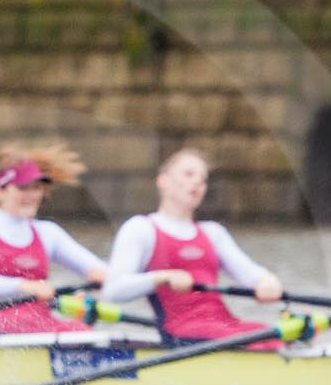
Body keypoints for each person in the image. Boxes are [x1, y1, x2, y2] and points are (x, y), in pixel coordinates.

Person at [102, 147, 284, 345]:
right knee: (264, 340)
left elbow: (250, 273)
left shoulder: (212, 233)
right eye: (189, 174)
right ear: (163, 181)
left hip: (223, 326)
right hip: (182, 334)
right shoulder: (141, 229)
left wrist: (267, 281)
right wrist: (163, 277)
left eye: (203, 179)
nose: (197, 181)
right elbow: (114, 290)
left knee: (273, 334)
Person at [0, 145, 108, 334]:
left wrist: (103, 279)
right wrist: (27, 286)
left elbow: (97, 269)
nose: (31, 195)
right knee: (78, 334)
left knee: (82, 331)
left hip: (43, 327)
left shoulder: (47, 233)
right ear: (0, 191)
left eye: (36, 188)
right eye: (23, 187)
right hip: (1, 331)